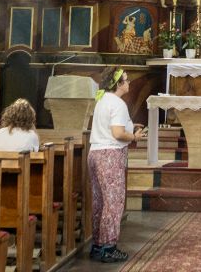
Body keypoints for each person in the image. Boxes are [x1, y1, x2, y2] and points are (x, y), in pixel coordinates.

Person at [88, 67, 144, 263]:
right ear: (118, 84)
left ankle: (97, 245)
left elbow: (112, 126)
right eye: (126, 80)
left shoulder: (103, 99)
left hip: (95, 153)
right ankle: (109, 248)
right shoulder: (118, 103)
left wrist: (130, 126)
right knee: (113, 203)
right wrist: (134, 137)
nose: (129, 83)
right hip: (110, 155)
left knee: (100, 202)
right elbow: (118, 134)